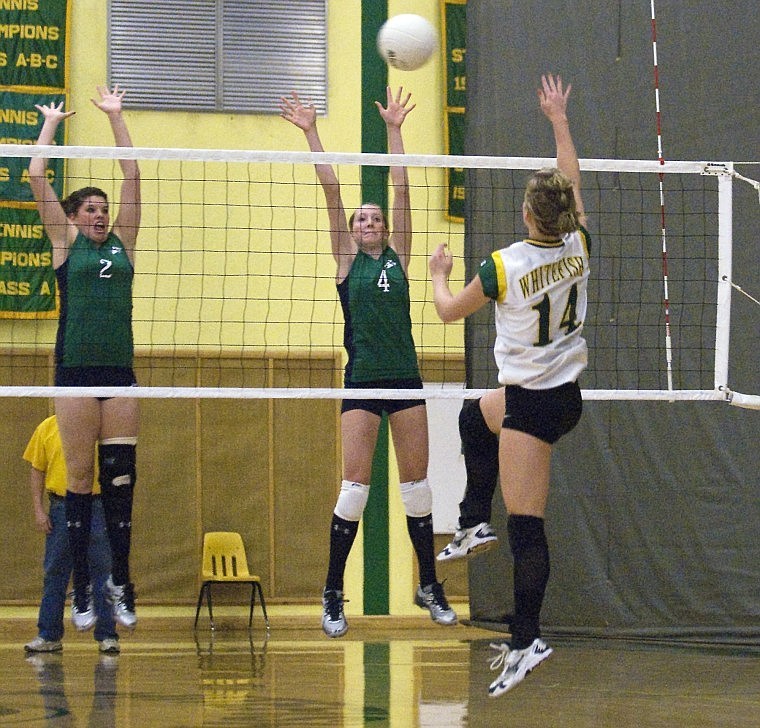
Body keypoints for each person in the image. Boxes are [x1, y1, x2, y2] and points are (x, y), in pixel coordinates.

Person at [429, 73, 589, 696]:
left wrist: (441, 272)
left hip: (534, 405)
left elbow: (447, 312)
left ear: (526, 214)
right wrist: (558, 121)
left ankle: (526, 641)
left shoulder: (504, 265)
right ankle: (473, 519)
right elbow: (571, 183)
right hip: (559, 394)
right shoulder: (580, 242)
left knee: (529, 527)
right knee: (474, 416)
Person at [280, 87, 457, 637]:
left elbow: (401, 186)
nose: (369, 223)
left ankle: (428, 583)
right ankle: (333, 592)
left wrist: (396, 129)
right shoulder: (344, 260)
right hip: (360, 381)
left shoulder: (401, 256)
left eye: (375, 218)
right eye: (362, 219)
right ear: (352, 230)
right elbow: (331, 191)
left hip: (404, 379)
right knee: (353, 489)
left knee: (418, 487)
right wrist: (311, 130)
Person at [28, 85, 141, 631]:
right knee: (77, 479)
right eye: (89, 209)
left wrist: (116, 118)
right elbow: (35, 177)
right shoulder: (67, 246)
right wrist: (51, 126)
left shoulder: (123, 244)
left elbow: (134, 177)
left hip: (120, 374)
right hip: (73, 371)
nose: (99, 215)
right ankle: (80, 589)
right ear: (73, 218)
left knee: (120, 483)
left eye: (103, 209)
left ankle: (120, 581)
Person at [23, 415, 120, 654]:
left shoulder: (103, 427)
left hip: (97, 506)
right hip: (61, 506)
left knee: (103, 572)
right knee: (55, 572)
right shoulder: (46, 427)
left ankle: (107, 636)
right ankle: (48, 635)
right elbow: (37, 470)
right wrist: (38, 510)